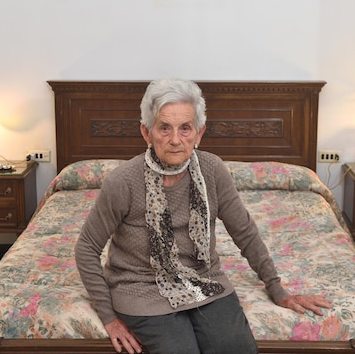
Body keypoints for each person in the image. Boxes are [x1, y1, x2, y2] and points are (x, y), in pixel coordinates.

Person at [75, 79, 332, 354]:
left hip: (204, 281)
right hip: (140, 289)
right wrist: (109, 319)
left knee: (237, 348)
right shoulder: (123, 182)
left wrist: (277, 288)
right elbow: (87, 248)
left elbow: (244, 232)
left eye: (185, 128)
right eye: (164, 128)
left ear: (199, 133)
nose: (175, 140)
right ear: (146, 133)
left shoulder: (212, 170)